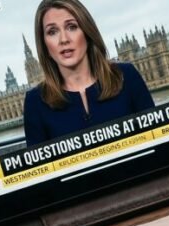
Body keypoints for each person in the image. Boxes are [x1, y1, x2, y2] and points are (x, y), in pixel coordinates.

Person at [24, 0, 155, 146]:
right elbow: (40, 168)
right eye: (52, 32)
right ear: (45, 45)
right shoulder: (35, 101)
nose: (63, 39)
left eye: (72, 27)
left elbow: (159, 138)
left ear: (87, 32)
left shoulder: (126, 76)